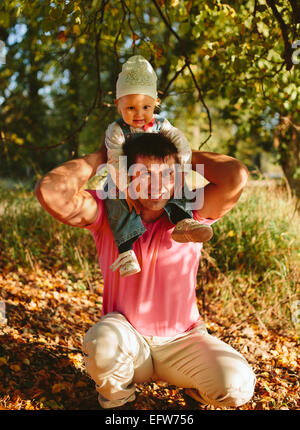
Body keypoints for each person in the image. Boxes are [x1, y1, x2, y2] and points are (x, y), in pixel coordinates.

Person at [34, 131, 256, 410]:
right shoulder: (107, 212)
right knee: (102, 342)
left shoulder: (189, 216)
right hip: (128, 341)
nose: (157, 185)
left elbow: (236, 176)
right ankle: (118, 403)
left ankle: (194, 391)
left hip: (183, 340)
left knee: (236, 385)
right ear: (125, 175)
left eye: (167, 175)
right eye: (144, 174)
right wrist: (103, 157)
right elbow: (50, 191)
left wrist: (183, 155)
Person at [104, 55, 213, 278]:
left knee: (179, 185)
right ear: (118, 105)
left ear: (156, 103)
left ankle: (184, 220)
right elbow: (115, 161)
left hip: (160, 175)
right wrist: (127, 190)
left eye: (146, 107)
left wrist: (180, 167)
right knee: (114, 200)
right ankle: (126, 250)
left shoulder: (162, 125)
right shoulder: (116, 131)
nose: (139, 114)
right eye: (131, 108)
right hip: (126, 178)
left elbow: (180, 142)